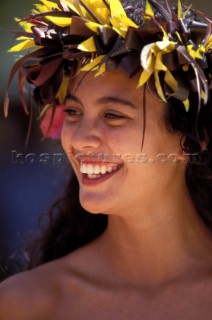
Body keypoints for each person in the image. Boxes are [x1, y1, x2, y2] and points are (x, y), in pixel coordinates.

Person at [0, 0, 212, 318]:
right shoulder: (24, 304)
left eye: (113, 115)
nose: (81, 139)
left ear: (193, 137)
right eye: (73, 111)